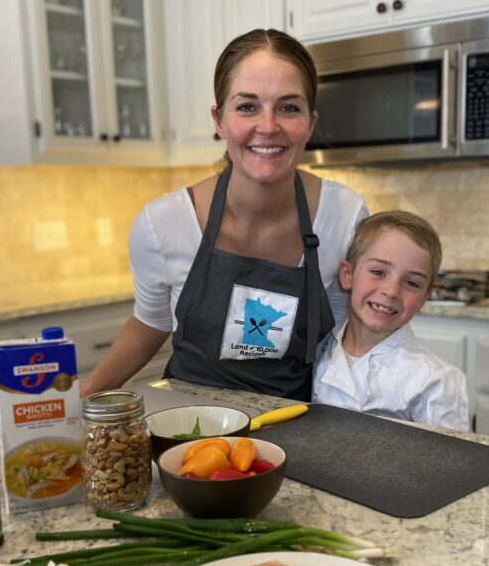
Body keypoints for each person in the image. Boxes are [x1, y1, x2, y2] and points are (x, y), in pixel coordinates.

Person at [81, 28, 368, 401]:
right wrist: (82, 401)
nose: (268, 126)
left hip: (299, 422)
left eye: (289, 107)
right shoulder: (163, 225)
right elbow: (150, 323)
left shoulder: (343, 216)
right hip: (188, 427)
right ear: (219, 120)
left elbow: (350, 335)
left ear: (310, 124)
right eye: (247, 106)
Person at [312, 211, 469, 430]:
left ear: (424, 298)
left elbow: (451, 460)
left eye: (412, 283)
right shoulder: (320, 349)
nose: (392, 291)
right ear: (347, 274)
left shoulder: (438, 382)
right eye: (378, 271)